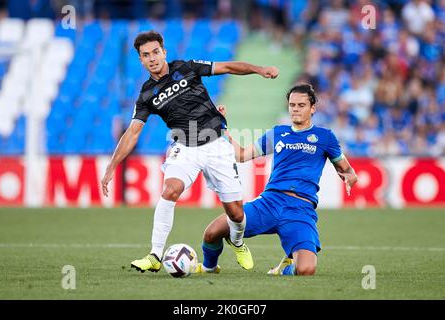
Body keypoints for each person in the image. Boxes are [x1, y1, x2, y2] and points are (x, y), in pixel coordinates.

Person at [100, 30, 279, 273]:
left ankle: (237, 242)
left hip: (216, 144)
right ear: (140, 60)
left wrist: (258, 69)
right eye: (146, 55)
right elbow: (132, 132)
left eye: (155, 52)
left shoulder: (187, 67)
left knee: (236, 213)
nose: (152, 58)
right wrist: (112, 166)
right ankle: (155, 255)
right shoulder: (146, 95)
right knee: (170, 190)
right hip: (184, 147)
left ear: (164, 52)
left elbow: (227, 67)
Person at [195, 83, 358, 275]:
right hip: (270, 203)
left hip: (300, 210)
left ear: (313, 108)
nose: (295, 109)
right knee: (212, 232)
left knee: (306, 269)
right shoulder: (277, 133)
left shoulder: (325, 137)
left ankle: (283, 269)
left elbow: (348, 171)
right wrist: (222, 129)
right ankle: (209, 267)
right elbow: (241, 155)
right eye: (292, 105)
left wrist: (348, 178)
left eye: (301, 105)